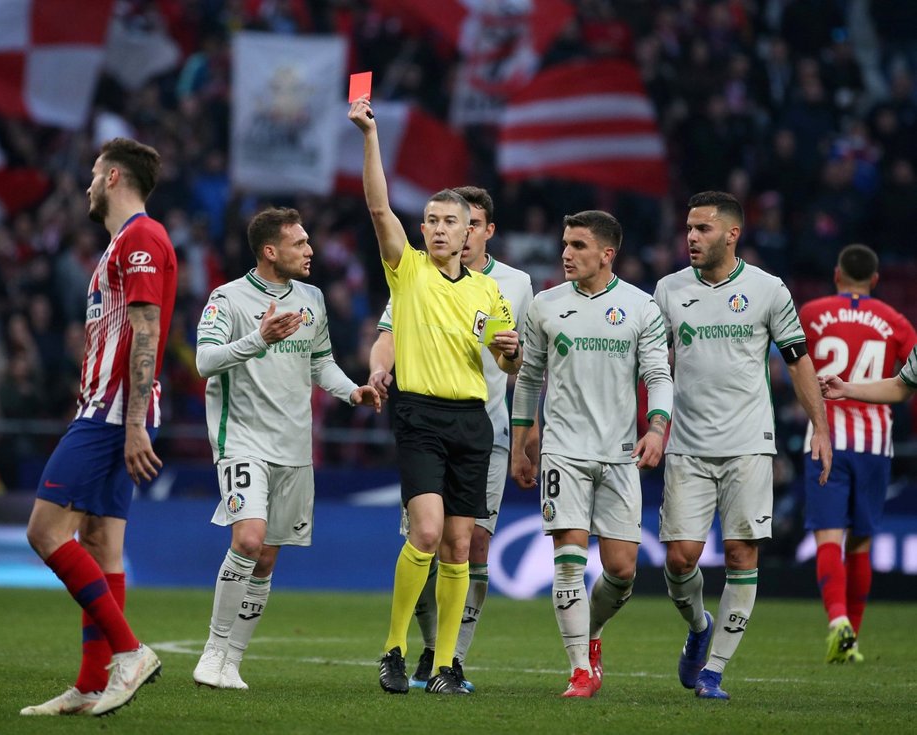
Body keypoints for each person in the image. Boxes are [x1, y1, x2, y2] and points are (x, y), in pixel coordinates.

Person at [349, 95, 521, 696]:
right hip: (421, 415)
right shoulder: (409, 271)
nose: (442, 228)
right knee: (424, 532)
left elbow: (505, 359)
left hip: (473, 420)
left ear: (470, 231)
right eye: (432, 220)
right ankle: (393, 649)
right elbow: (376, 205)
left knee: (459, 545)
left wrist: (511, 351)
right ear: (421, 229)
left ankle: (445, 665)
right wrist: (370, 136)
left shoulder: (489, 294)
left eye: (453, 221)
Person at [191, 206, 381, 691]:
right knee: (248, 541)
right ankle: (212, 651)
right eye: (300, 244)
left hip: (294, 446)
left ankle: (232, 660)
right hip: (243, 441)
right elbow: (204, 361)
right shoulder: (226, 299)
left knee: (268, 558)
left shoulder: (312, 299)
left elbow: (321, 363)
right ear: (271, 251)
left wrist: (352, 390)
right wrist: (258, 338)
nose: (311, 250)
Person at [653, 191, 832, 701]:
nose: (691, 237)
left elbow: (797, 361)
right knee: (681, 560)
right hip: (686, 443)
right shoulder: (668, 289)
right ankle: (699, 624)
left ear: (732, 234)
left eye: (703, 229)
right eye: (688, 227)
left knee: (740, 552)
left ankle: (714, 670)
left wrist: (819, 426)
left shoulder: (768, 289)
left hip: (750, 443)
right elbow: (646, 359)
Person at [21, 138, 177, 717]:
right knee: (100, 543)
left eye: (92, 174)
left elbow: (147, 329)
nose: (87, 185)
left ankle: (130, 652)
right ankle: (90, 685)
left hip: (113, 413)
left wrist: (133, 421)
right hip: (109, 407)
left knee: (44, 532)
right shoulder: (123, 242)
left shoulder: (139, 237)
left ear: (113, 177)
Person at [510, 210, 673, 698]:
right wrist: (523, 441)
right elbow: (528, 378)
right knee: (569, 562)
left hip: (620, 454)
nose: (566, 253)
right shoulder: (545, 305)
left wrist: (658, 427)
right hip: (564, 451)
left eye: (578, 245)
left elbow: (658, 377)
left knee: (622, 571)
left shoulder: (641, 308)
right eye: (564, 243)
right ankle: (580, 668)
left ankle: (592, 633)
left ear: (607, 253)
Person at [799, 244, 917, 663]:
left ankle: (837, 621)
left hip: (824, 437)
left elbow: (790, 361)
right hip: (874, 444)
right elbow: (905, 383)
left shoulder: (812, 312)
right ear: (877, 279)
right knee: (862, 542)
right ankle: (853, 641)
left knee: (829, 535)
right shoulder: (895, 320)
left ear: (836, 274)